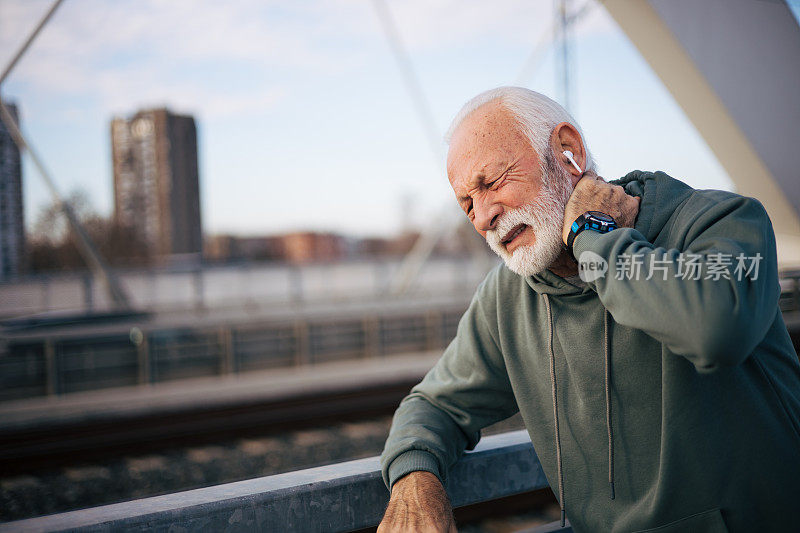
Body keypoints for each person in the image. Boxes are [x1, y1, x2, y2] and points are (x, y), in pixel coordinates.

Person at [377, 87, 800, 532]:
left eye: (492, 181)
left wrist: (593, 238)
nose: (482, 216)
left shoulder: (723, 221)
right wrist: (414, 479)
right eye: (467, 204)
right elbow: (432, 405)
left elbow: (717, 330)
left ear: (567, 151)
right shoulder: (507, 297)